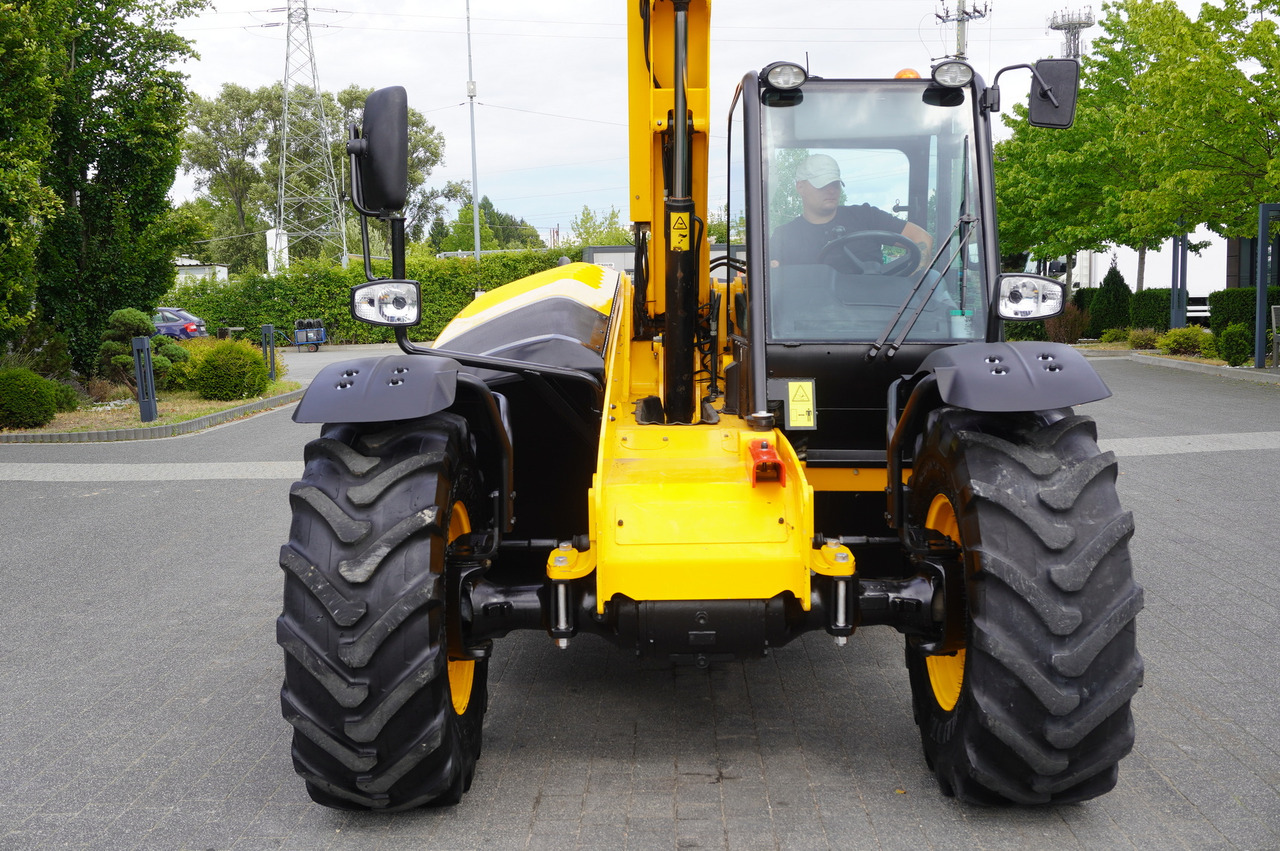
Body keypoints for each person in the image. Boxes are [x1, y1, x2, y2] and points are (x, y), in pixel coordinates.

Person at [770, 153, 932, 269]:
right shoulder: (784, 236)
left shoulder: (866, 216)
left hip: (877, 313)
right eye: (823, 185)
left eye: (835, 184)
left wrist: (911, 285)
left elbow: (921, 238)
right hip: (810, 314)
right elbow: (770, 273)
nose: (831, 190)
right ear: (800, 187)